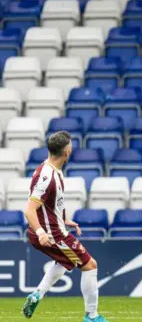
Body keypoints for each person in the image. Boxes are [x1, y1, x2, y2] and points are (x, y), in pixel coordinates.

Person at [23, 131, 107, 322]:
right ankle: (92, 317)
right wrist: (41, 231)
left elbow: (50, 204)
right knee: (90, 266)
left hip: (54, 229)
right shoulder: (47, 177)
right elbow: (29, 210)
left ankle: (37, 294)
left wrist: (64, 219)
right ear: (67, 151)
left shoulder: (52, 170)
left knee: (65, 261)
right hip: (51, 234)